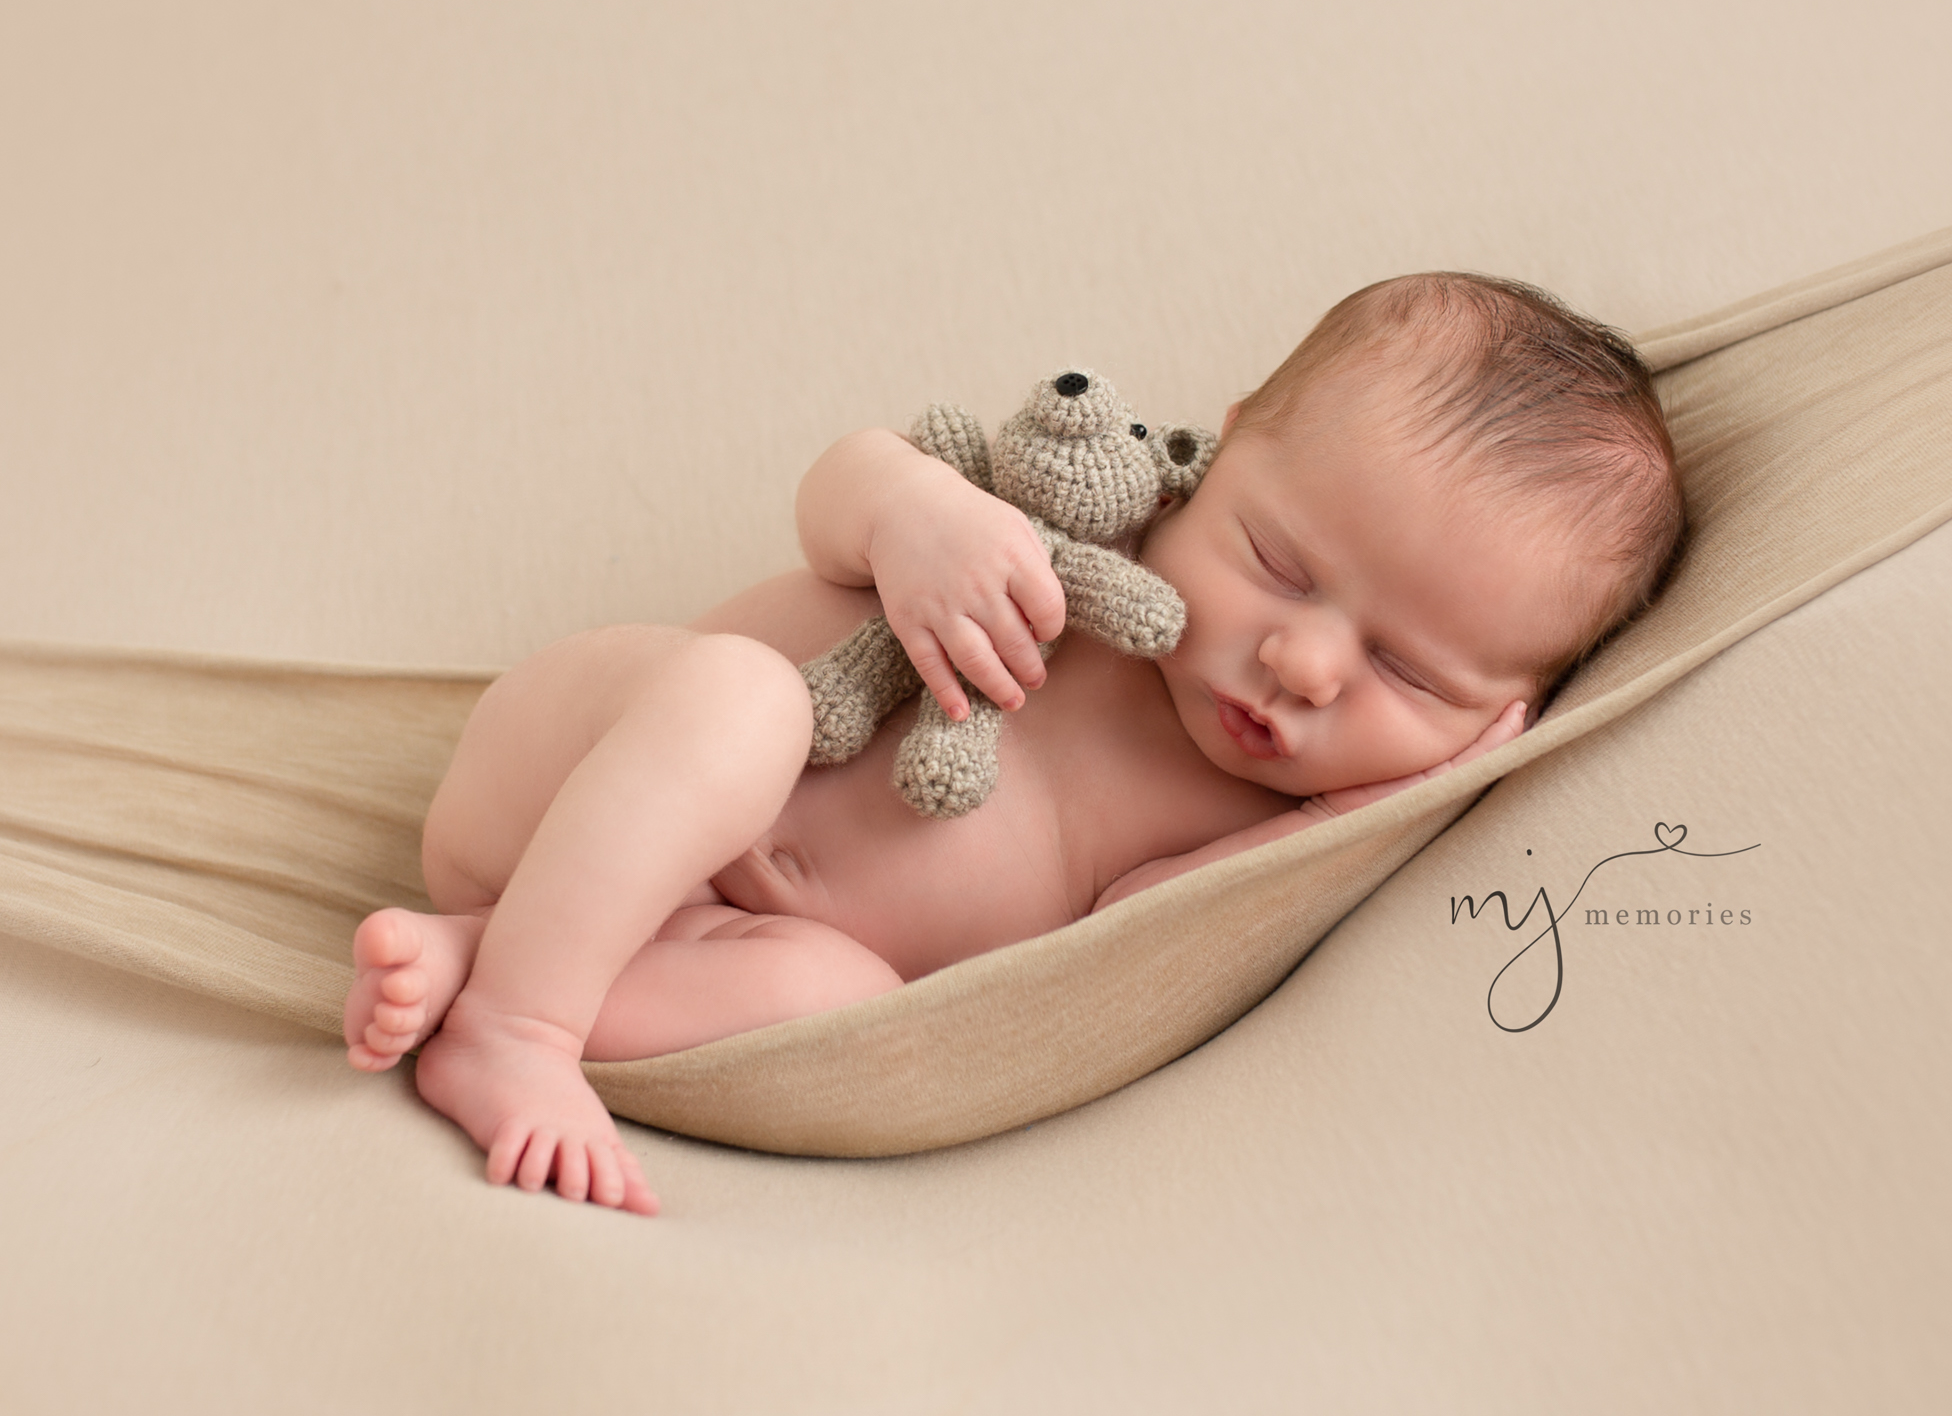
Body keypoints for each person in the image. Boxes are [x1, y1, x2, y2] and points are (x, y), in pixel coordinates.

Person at [342, 273, 1685, 1216]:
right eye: (1278, 562)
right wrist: (909, 517)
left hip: (685, 937)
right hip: (586, 761)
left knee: (845, 1013)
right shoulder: (1087, 521)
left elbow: (1138, 940)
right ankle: (519, 1030)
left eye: (1404, 671)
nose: (1304, 661)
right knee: (748, 706)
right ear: (1213, 459)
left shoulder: (1259, 822)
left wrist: (1364, 822)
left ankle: (492, 962)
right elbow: (839, 487)